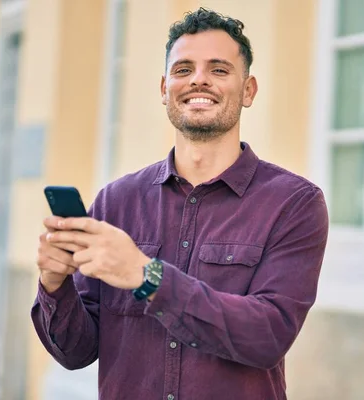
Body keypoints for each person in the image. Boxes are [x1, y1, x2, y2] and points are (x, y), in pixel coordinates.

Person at [31, 7, 329, 400]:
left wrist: (146, 276)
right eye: (183, 69)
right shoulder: (116, 202)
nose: (198, 80)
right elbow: (76, 352)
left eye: (219, 70)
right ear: (164, 88)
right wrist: (55, 285)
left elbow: (268, 336)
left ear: (248, 90)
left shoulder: (294, 203)